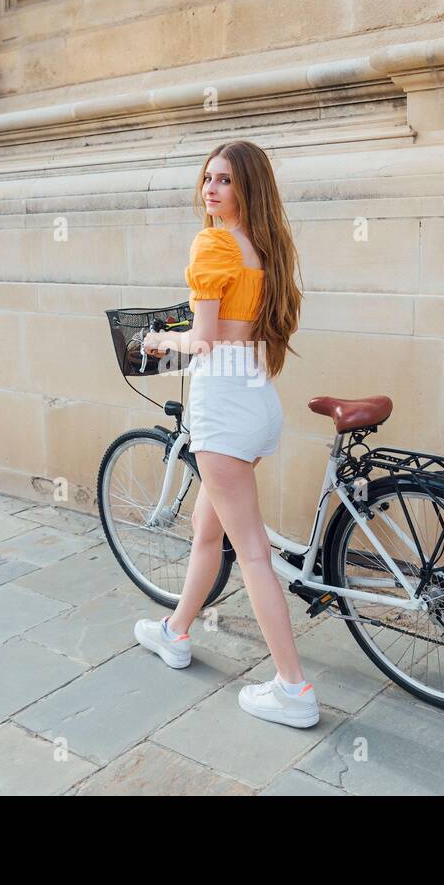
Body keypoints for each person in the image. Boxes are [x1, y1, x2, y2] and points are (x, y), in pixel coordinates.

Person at [133, 140, 316, 728]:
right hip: (259, 397)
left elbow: (205, 340)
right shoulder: (268, 248)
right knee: (205, 528)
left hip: (224, 406)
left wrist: (163, 341)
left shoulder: (212, 243)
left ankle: (293, 688)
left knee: (254, 553)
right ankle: (177, 631)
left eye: (226, 181)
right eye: (207, 178)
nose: (211, 189)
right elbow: (238, 329)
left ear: (248, 189)